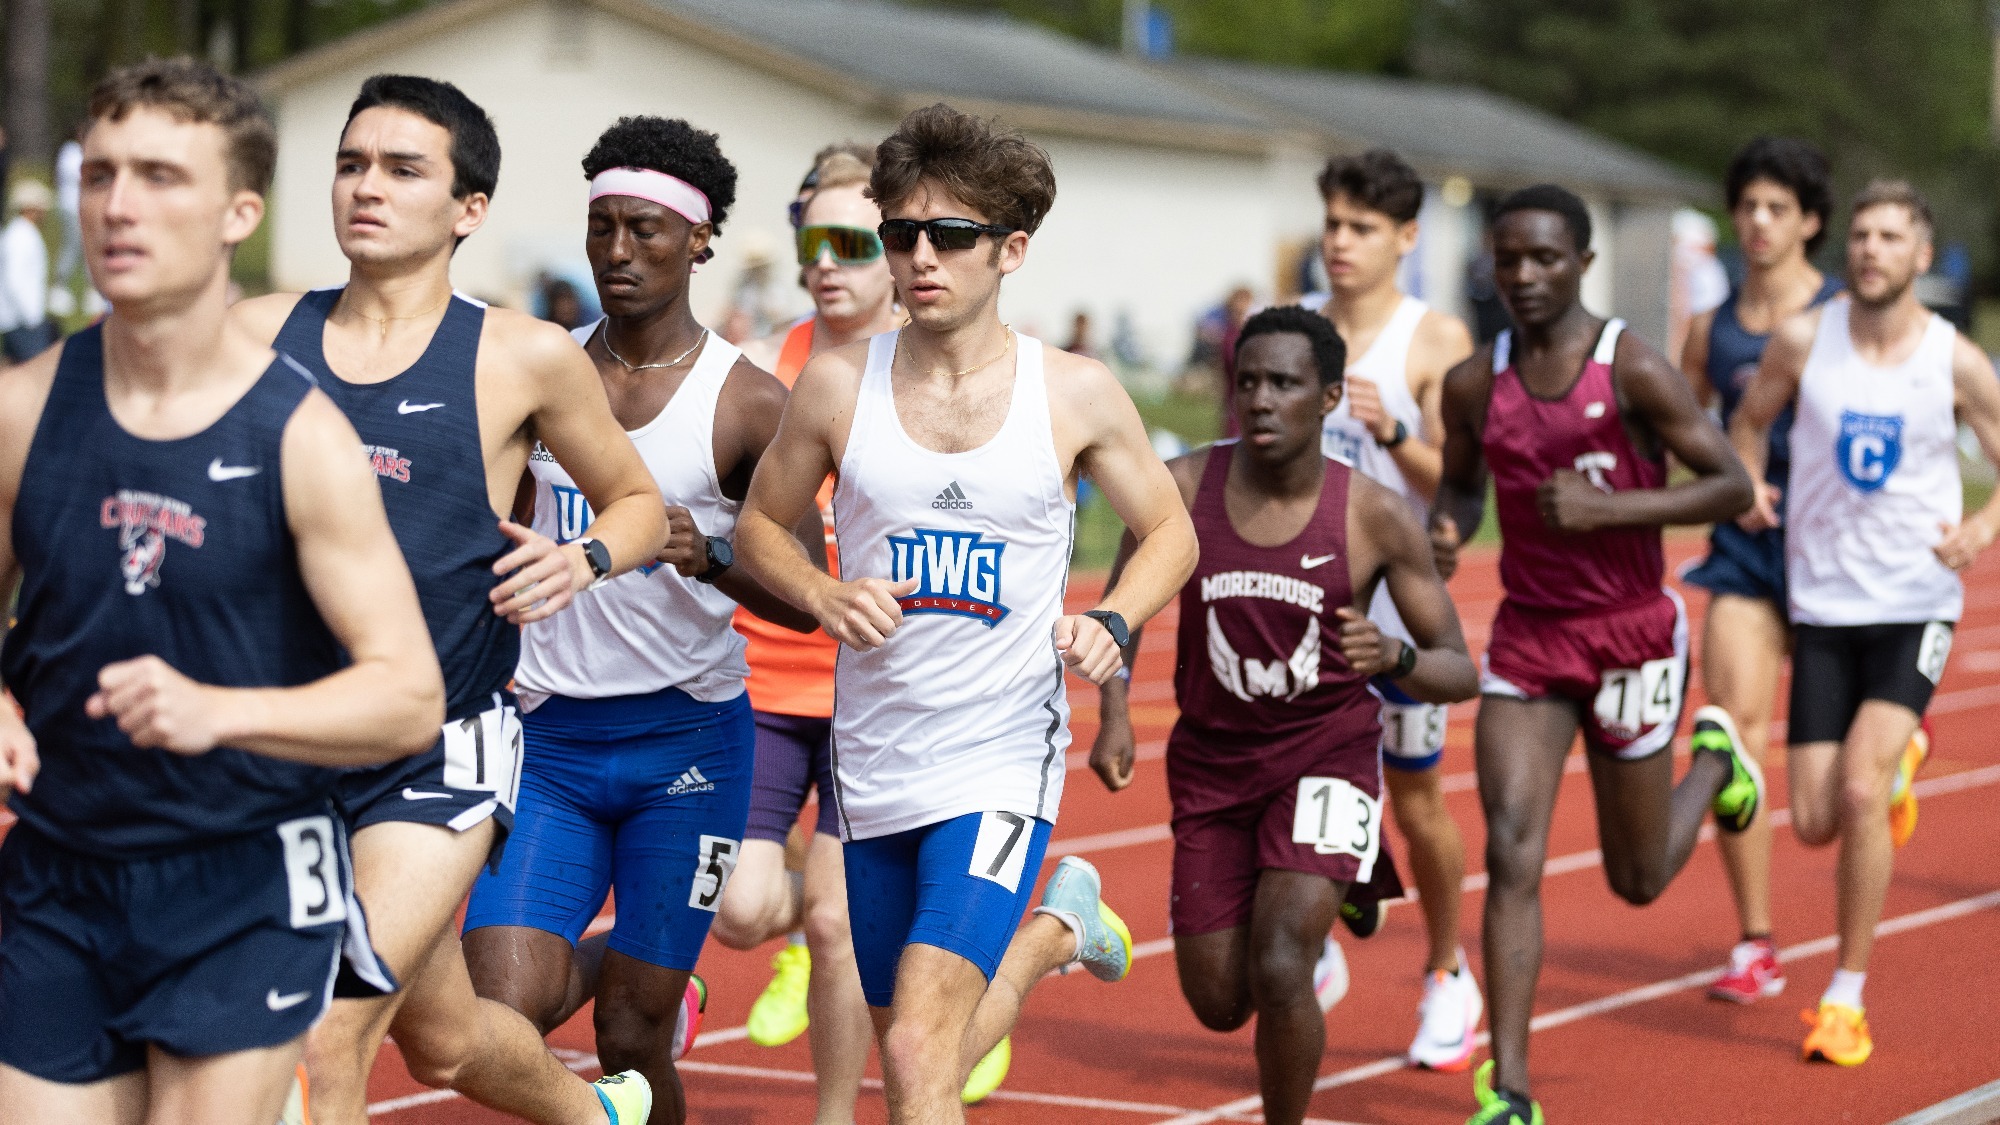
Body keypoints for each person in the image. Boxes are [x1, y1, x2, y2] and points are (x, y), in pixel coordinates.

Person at [0, 58, 444, 1125]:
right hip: (59, 874)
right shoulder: (20, 411)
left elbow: (407, 696)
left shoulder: (302, 439)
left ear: (239, 213)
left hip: (242, 885)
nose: (118, 205)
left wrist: (219, 712)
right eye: (100, 174)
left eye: (160, 176)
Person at [736, 103, 1199, 1125]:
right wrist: (821, 591)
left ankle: (1042, 933)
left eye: (949, 235)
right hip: (873, 758)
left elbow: (1171, 530)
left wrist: (1114, 621)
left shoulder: (1072, 393)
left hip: (999, 755)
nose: (919, 257)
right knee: (916, 1049)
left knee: (913, 1046)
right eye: (900, 233)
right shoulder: (835, 385)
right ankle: (1053, 936)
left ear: (1009, 250)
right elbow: (758, 529)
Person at [229, 75, 668, 1125]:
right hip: (278, 743)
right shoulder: (252, 333)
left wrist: (583, 559)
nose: (366, 187)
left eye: (402, 169)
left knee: (326, 1028)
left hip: (435, 747)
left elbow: (640, 504)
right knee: (444, 1037)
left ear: (469, 208)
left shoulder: (522, 356)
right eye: (351, 164)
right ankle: (597, 1114)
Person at [460, 113, 815, 1124]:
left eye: (644, 230)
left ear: (699, 241)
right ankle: (645, 953)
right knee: (502, 1009)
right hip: (547, 740)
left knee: (629, 1033)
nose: (617, 251)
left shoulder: (746, 402)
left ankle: (655, 974)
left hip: (685, 746)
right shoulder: (540, 371)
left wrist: (710, 554)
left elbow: (807, 591)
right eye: (601, 226)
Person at [1091, 306, 1478, 1125]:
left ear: (1330, 396)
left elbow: (1458, 667)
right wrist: (1114, 709)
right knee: (1219, 1000)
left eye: (1284, 383)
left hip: (1326, 754)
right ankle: (1351, 873)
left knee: (1280, 962)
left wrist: (1396, 656)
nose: (1261, 398)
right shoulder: (1182, 489)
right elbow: (1120, 611)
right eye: (1249, 381)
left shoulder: (1372, 513)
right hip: (1213, 764)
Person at [1430, 184, 1763, 1125]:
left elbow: (1731, 487)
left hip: (1630, 632)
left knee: (1639, 878)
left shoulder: (1633, 367)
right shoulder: (1474, 382)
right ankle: (1511, 1088)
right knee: (1512, 845)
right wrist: (1447, 530)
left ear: (1582, 261)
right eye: (1508, 259)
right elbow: (1459, 489)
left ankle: (1717, 764)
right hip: (1531, 637)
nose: (1524, 275)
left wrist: (1608, 508)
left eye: (1544, 257)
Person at [1730, 180, 2000, 1067]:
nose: (1871, 249)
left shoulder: (1955, 360)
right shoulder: (1805, 339)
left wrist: (1980, 528)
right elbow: (1748, 420)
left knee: (1858, 789)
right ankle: (1903, 757)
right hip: (1824, 603)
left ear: (1922, 255)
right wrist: (1748, 480)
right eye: (1862, 235)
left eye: (1890, 237)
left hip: (1915, 601)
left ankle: (1845, 995)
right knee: (1814, 819)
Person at [721, 147, 911, 1123]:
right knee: (740, 910)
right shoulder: (760, 369)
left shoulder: (928, 368)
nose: (826, 262)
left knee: (839, 924)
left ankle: (834, 1113)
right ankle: (813, 923)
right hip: (762, 682)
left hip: (874, 695)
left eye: (852, 242)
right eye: (812, 241)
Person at [1303, 149, 1483, 1068]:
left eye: (1362, 227)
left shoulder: (1434, 339)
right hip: (1304, 605)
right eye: (1333, 223)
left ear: (1407, 236)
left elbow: (1461, 478)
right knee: (1292, 789)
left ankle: (1448, 970)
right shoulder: (1296, 327)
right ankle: (1314, 938)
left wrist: (1392, 429)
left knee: (1414, 802)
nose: (1340, 241)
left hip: (1399, 616)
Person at [1677, 137, 1843, 1005]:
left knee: (1834, 784)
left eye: (1778, 208)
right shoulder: (1712, 329)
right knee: (1730, 737)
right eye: (1748, 206)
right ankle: (1755, 940)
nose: (1759, 222)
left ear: (1811, 221)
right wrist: (1729, 477)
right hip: (1746, 550)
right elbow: (1683, 423)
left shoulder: (1845, 311)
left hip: (1841, 556)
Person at [0, 181, 58, 363]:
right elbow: (14, 279)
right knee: (36, 370)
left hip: (19, 318)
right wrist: (30, 316)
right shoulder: (20, 236)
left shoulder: (22, 233)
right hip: (21, 321)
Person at [49, 124, 93, 318]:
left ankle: (90, 290)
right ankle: (59, 285)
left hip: (82, 207)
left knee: (87, 247)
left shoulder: (81, 151)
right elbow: (81, 175)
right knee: (72, 246)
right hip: (70, 207)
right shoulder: (70, 151)